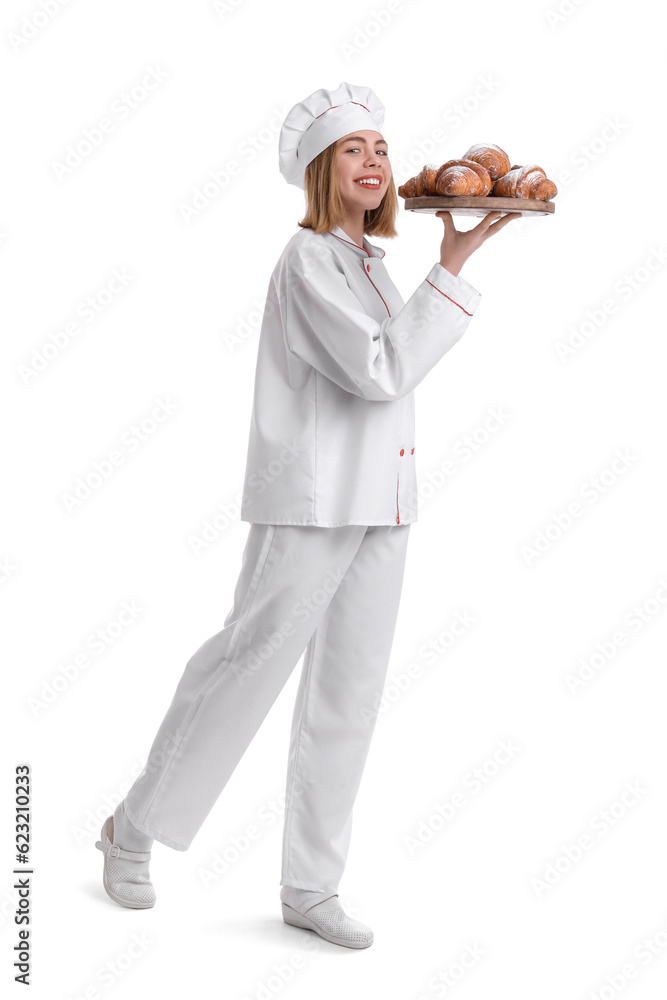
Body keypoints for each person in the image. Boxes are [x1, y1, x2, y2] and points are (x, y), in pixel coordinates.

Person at [94, 81, 520, 949]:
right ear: (322, 170)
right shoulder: (310, 259)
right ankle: (132, 829)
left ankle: (310, 886)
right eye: (353, 149)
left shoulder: (368, 262)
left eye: (381, 148)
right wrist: (455, 267)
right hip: (313, 501)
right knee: (246, 664)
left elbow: (385, 373)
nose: (374, 161)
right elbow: (377, 373)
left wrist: (446, 260)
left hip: (384, 501)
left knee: (348, 695)